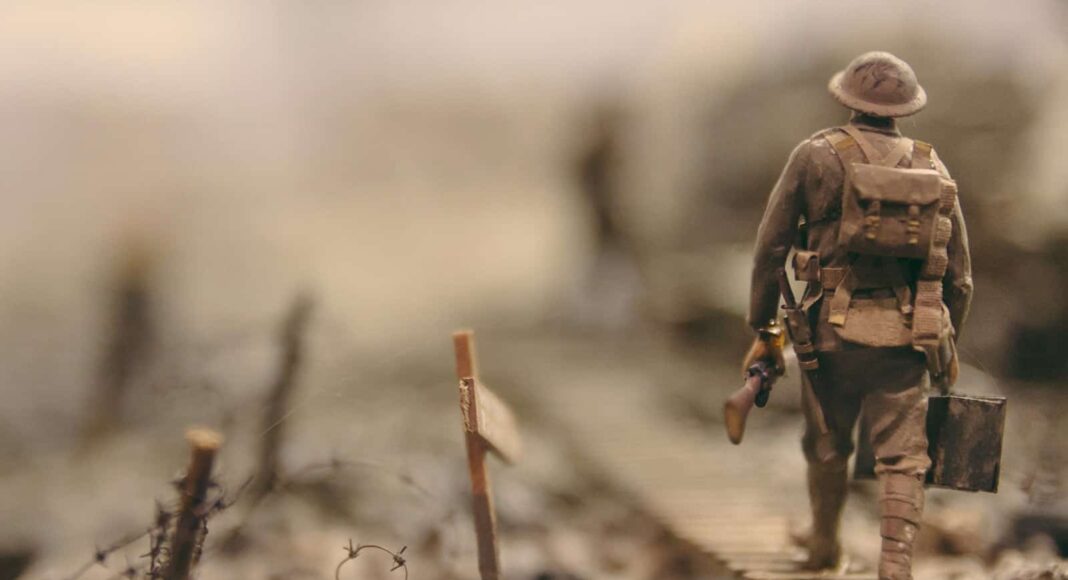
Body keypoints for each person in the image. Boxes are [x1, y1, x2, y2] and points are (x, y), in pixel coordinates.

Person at [743, 51, 973, 579]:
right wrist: (943, 337)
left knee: (826, 442)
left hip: (830, 332)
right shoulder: (932, 165)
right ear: (905, 108)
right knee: (904, 457)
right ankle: (895, 563)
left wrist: (763, 325)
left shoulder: (814, 155)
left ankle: (825, 546)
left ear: (846, 97)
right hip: (907, 333)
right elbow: (960, 275)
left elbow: (768, 249)